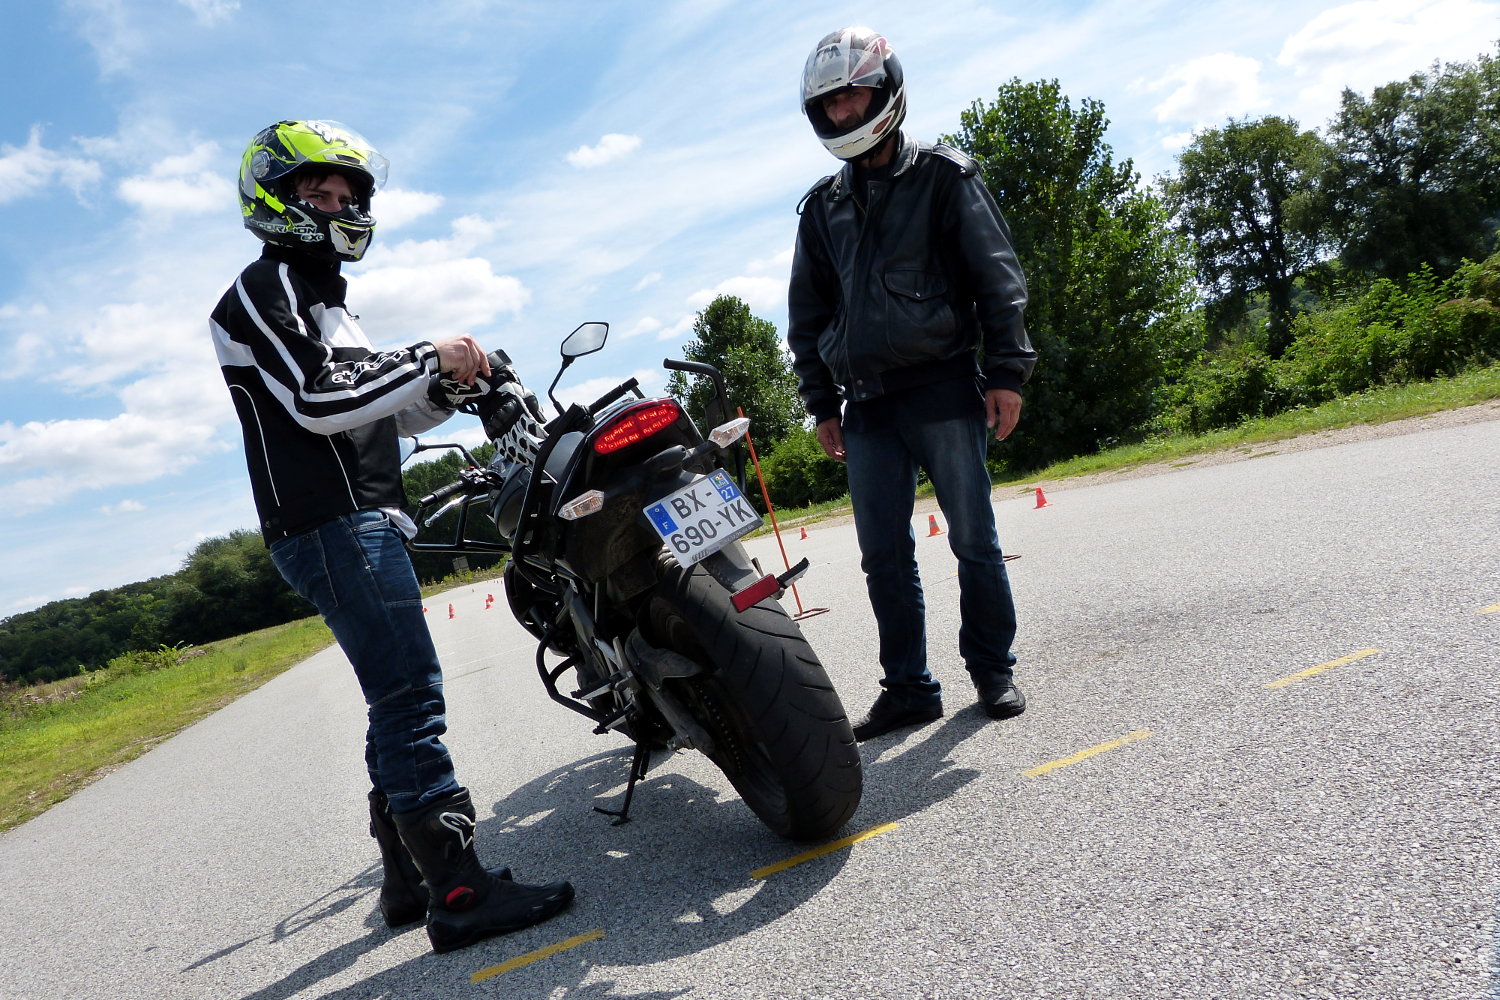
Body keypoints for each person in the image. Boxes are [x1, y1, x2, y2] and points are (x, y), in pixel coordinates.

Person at [208, 119, 573, 953]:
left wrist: (448, 382)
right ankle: (458, 889)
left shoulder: (328, 303)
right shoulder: (261, 293)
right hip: (330, 524)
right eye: (320, 192)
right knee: (411, 698)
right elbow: (318, 399)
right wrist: (425, 352)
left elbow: (388, 411)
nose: (337, 206)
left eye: (347, 196)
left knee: (394, 698)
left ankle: (409, 879)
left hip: (362, 517)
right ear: (276, 194)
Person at [787, 29, 1038, 741]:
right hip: (864, 406)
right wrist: (819, 404)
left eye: (853, 95)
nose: (842, 113)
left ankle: (992, 669)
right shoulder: (821, 209)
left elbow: (999, 280)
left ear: (886, 88)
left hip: (944, 388)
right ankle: (908, 688)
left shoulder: (945, 177)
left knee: (973, 539)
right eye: (829, 104)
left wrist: (1008, 372)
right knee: (883, 557)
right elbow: (807, 317)